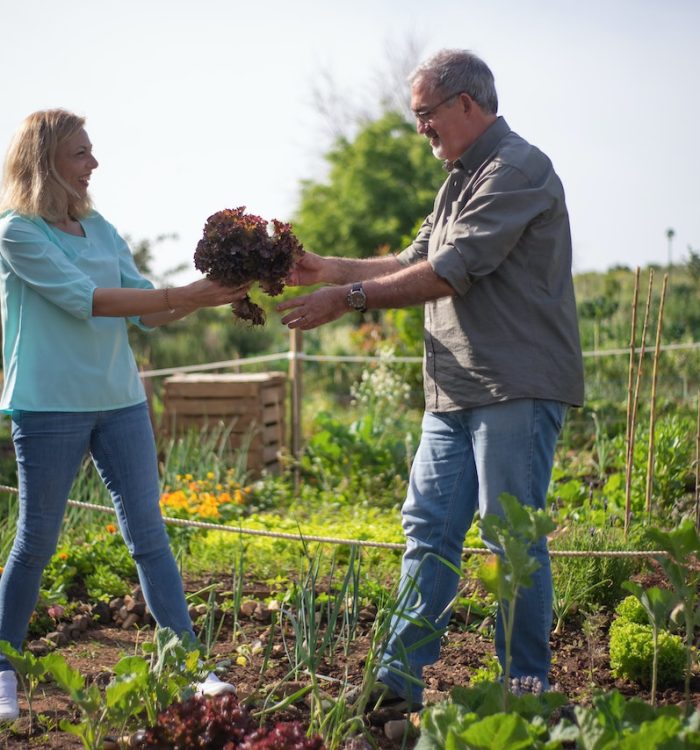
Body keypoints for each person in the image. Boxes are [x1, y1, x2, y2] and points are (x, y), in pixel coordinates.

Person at [278, 49, 584, 711]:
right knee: (428, 531)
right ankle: (394, 685)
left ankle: (525, 688)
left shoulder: (517, 169)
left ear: (465, 105)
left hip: (513, 386)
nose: (421, 130)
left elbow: (452, 269)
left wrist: (350, 298)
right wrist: (324, 268)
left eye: (426, 116)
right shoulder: (458, 179)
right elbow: (413, 258)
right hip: (454, 391)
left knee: (510, 539)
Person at [0, 109, 245, 720]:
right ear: (46, 160)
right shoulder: (17, 233)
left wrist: (204, 295)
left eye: (91, 151)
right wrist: (183, 294)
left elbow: (145, 312)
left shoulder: (100, 228)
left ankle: (187, 665)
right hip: (51, 404)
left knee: (149, 535)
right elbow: (89, 301)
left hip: (121, 401)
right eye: (81, 152)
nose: (94, 163)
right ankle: (2, 664)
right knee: (37, 541)